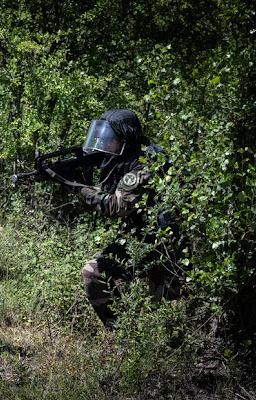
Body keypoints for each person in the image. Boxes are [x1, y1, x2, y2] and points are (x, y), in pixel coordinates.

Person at [76, 109, 181, 328]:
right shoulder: (119, 161)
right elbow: (103, 196)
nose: (104, 145)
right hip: (138, 239)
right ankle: (122, 333)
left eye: (109, 140)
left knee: (168, 318)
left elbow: (116, 205)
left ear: (125, 139)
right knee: (93, 273)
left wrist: (79, 188)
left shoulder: (148, 162)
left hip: (165, 244)